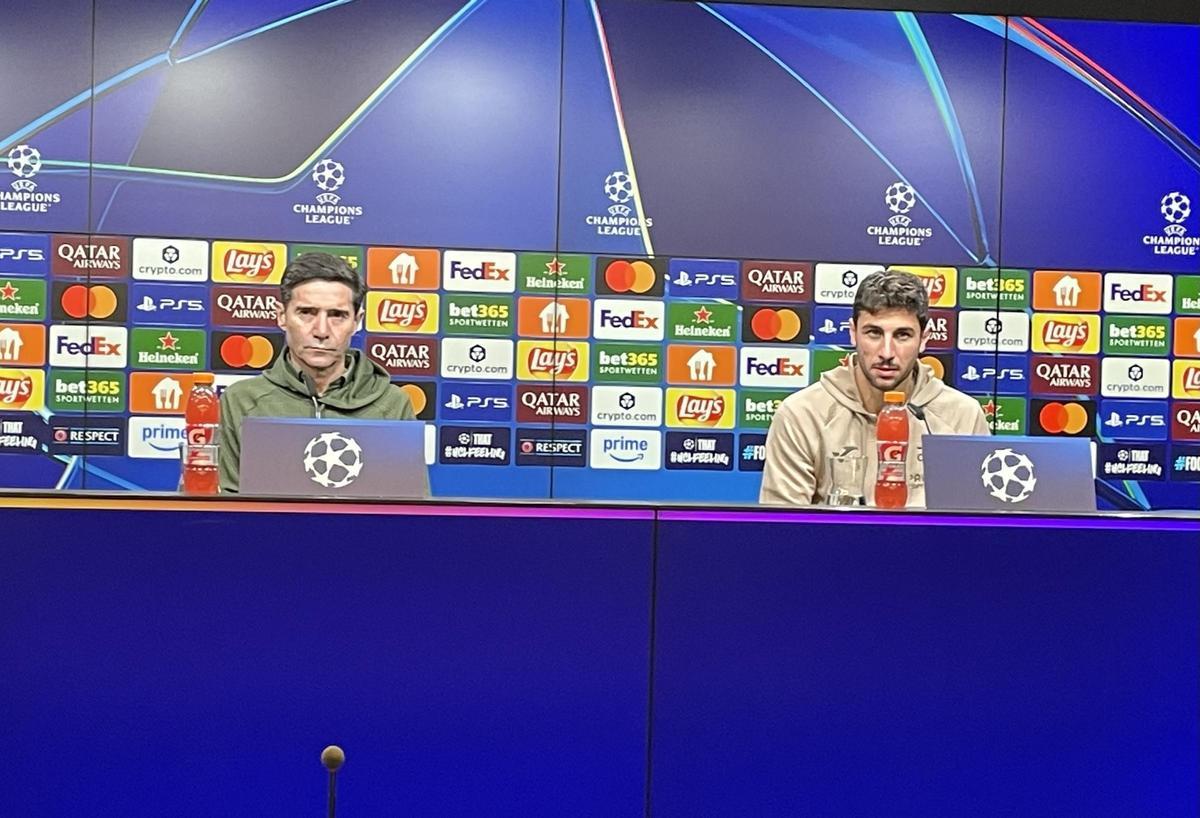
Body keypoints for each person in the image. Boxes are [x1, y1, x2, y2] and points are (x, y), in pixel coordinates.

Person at [760, 269, 989, 506]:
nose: (887, 353)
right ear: (853, 333)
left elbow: (979, 530)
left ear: (924, 338)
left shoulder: (963, 417)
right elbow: (782, 530)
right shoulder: (801, 414)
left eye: (902, 335)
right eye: (874, 333)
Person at [217, 252, 415, 492]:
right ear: (281, 316)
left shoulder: (392, 403)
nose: (321, 331)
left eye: (337, 315)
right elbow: (222, 509)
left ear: (357, 320)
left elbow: (411, 514)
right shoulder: (240, 400)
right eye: (307, 313)